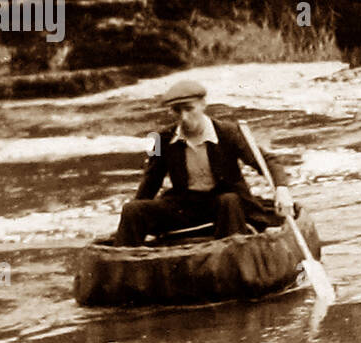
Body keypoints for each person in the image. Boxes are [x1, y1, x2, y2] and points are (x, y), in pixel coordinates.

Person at [114, 79, 295, 246]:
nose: (184, 117)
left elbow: (268, 160)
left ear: (203, 105)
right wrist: (133, 221)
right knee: (132, 209)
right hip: (185, 205)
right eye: (177, 110)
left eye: (189, 108)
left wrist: (282, 189)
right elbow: (150, 182)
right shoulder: (160, 139)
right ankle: (121, 264)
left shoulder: (229, 132)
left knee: (229, 200)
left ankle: (232, 257)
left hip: (225, 206)